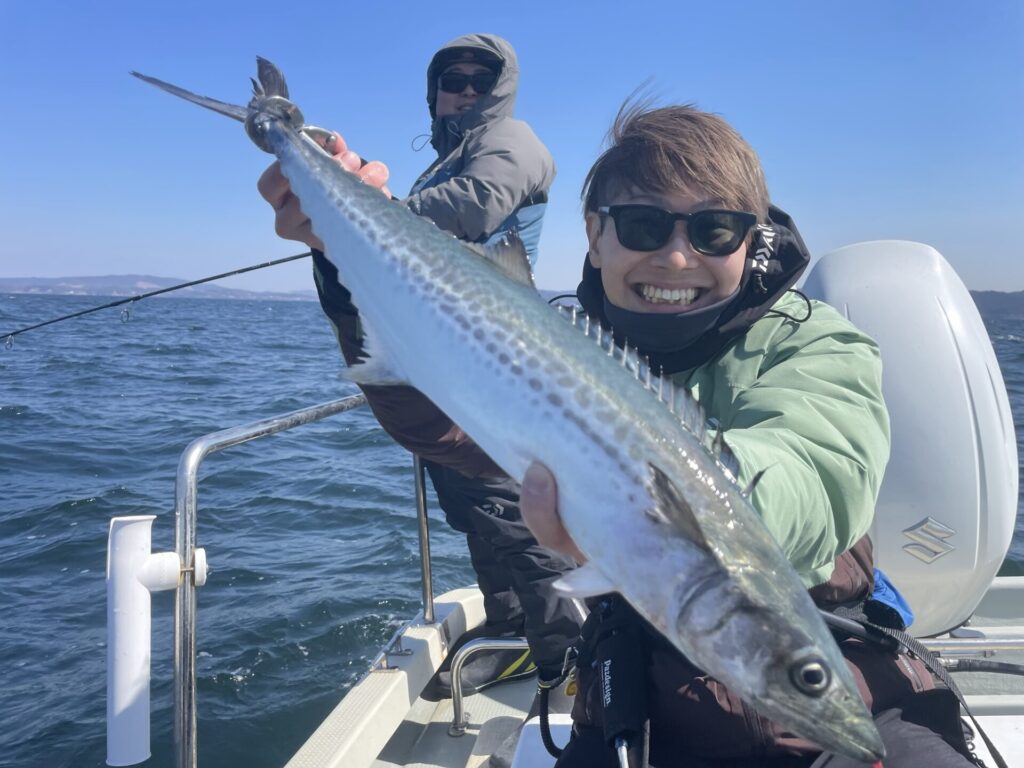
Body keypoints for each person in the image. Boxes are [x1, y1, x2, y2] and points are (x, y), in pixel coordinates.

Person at [513, 103, 980, 767]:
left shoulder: (814, 341)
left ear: (751, 241)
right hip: (638, 705)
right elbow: (450, 427)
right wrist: (358, 297)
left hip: (852, 692)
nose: (677, 257)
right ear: (594, 234)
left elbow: (811, 478)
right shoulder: (546, 347)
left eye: (715, 230)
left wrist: (680, 511)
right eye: (644, 225)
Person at [256, 31, 581, 741]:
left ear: (500, 90)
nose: (463, 91)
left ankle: (569, 665)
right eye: (450, 80)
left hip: (492, 360)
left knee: (520, 517)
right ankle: (513, 631)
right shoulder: (443, 162)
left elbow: (480, 206)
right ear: (433, 94)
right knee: (478, 512)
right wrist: (345, 221)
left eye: (478, 80)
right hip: (440, 358)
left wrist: (357, 211)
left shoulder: (513, 140)